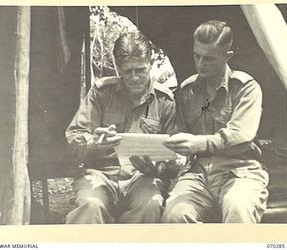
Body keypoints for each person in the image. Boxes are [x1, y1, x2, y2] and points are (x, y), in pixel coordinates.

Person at [161, 20, 269, 223]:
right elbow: (179, 136)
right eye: (196, 56)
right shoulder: (187, 90)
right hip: (198, 174)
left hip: (240, 171)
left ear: (227, 56)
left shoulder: (246, 88)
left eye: (208, 58)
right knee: (174, 214)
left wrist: (196, 143)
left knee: (238, 207)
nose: (200, 64)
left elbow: (241, 136)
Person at [65, 31, 178, 223]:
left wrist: (158, 168)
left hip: (143, 178)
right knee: (90, 205)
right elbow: (74, 137)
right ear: (117, 68)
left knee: (150, 205)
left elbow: (173, 156)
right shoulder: (101, 93)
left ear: (150, 64)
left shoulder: (164, 100)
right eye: (127, 71)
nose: (134, 77)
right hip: (100, 175)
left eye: (140, 70)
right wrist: (94, 143)